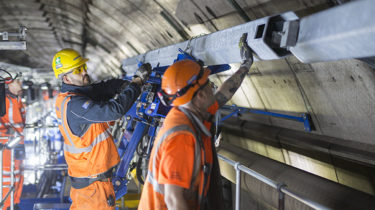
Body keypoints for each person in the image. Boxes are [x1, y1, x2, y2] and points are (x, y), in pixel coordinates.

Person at [138, 33, 253, 210]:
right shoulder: (181, 136)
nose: (212, 87)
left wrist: (246, 65)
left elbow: (223, 94)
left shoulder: (192, 112)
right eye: (207, 83)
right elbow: (174, 200)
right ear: (200, 95)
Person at [52, 48, 151, 210]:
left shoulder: (76, 95)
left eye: (83, 67)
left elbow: (104, 87)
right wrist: (136, 84)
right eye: (78, 70)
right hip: (93, 189)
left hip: (91, 185)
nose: (84, 72)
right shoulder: (75, 105)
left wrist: (125, 85)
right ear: (66, 78)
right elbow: (114, 111)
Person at [0, 78, 25, 210]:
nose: (21, 84)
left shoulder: (17, 100)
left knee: (18, 173)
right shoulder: (3, 100)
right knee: (7, 176)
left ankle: (14, 202)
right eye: (18, 81)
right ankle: (6, 205)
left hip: (17, 143)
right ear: (9, 83)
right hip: (6, 146)